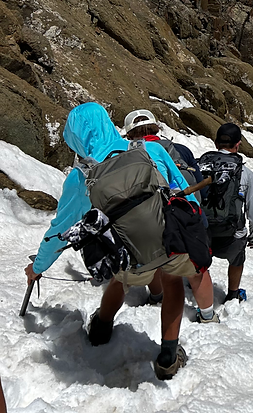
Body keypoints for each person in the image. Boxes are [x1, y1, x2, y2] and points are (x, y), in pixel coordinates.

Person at [25, 102, 202, 380]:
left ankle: (101, 327)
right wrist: (195, 229)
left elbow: (59, 230)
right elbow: (182, 189)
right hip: (170, 240)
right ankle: (168, 355)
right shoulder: (148, 149)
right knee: (171, 281)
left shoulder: (81, 176)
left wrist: (38, 267)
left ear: (75, 137)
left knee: (119, 280)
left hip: (129, 257)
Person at [122, 109, 218, 324]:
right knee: (196, 269)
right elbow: (189, 183)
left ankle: (157, 295)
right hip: (179, 213)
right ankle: (208, 315)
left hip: (144, 219)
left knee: (155, 258)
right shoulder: (171, 149)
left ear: (129, 133)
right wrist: (196, 212)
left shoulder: (124, 152)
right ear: (156, 127)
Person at [198, 123, 253, 303]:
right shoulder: (245, 173)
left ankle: (198, 284)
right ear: (238, 144)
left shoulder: (199, 167)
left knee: (199, 254)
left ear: (216, 143)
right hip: (231, 236)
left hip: (203, 234)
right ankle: (233, 293)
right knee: (238, 256)